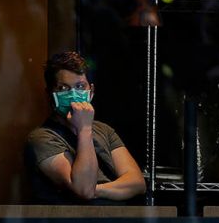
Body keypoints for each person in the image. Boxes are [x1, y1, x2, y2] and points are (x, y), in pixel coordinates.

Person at [24, 52, 145, 204]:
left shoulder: (104, 130)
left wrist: (97, 190)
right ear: (49, 94)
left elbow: (137, 183)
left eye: (80, 86)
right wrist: (84, 129)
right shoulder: (42, 138)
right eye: (63, 88)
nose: (73, 94)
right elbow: (83, 189)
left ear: (91, 91)